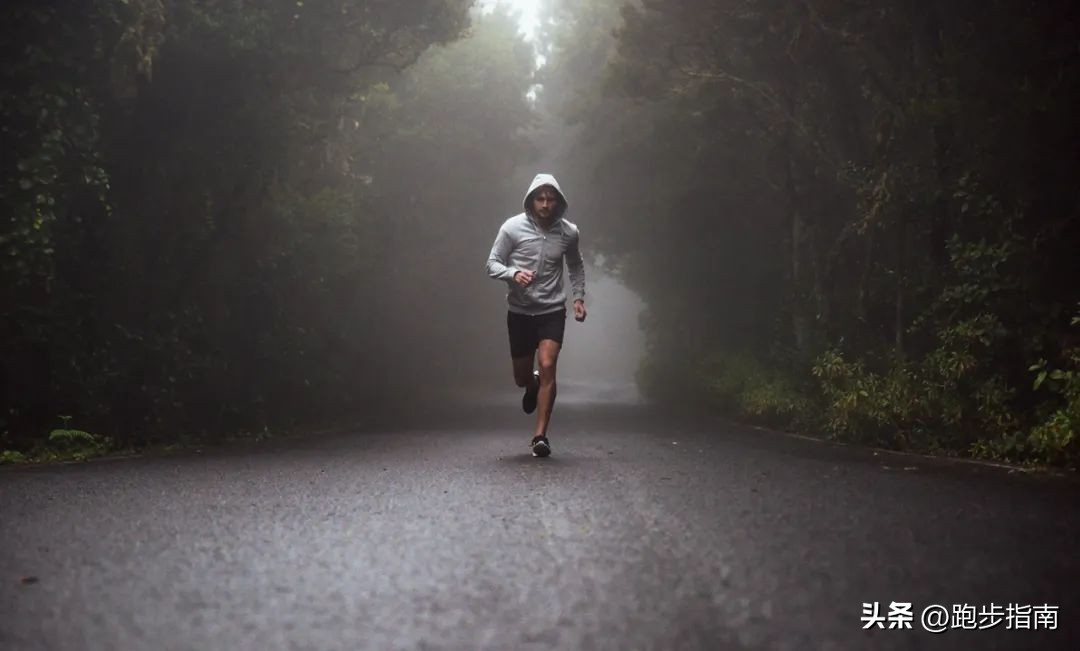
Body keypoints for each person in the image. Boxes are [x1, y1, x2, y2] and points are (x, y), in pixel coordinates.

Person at [486, 173, 586, 457]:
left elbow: (576, 266)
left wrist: (578, 297)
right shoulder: (512, 228)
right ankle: (530, 385)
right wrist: (514, 273)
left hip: (552, 310)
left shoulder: (569, 232)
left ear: (558, 202)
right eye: (540, 199)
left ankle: (540, 436)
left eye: (550, 199)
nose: (545, 204)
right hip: (519, 311)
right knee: (521, 377)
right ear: (531, 200)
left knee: (548, 364)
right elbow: (491, 264)